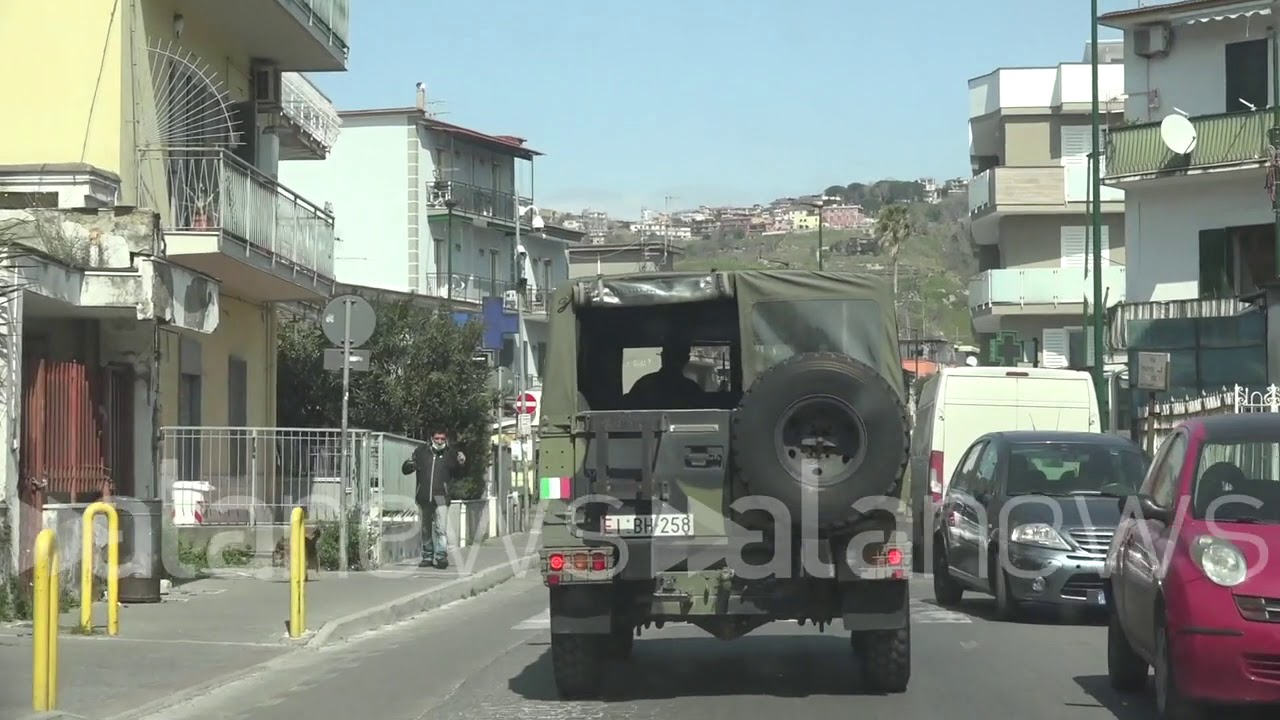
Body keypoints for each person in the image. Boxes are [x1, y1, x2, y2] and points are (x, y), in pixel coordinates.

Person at [401, 430, 466, 568]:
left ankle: (441, 556)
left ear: (446, 439)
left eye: (442, 439)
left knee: (441, 528)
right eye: (437, 438)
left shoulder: (450, 454)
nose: (440, 442)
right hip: (424, 496)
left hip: (441, 496)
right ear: (432, 438)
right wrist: (409, 464)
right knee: (425, 529)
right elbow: (406, 470)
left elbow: (459, 475)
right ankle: (427, 556)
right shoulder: (421, 452)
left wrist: (461, 463)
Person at [627, 340, 705, 408]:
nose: (672, 360)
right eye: (670, 355)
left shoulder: (644, 384)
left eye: (676, 356)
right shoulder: (692, 389)